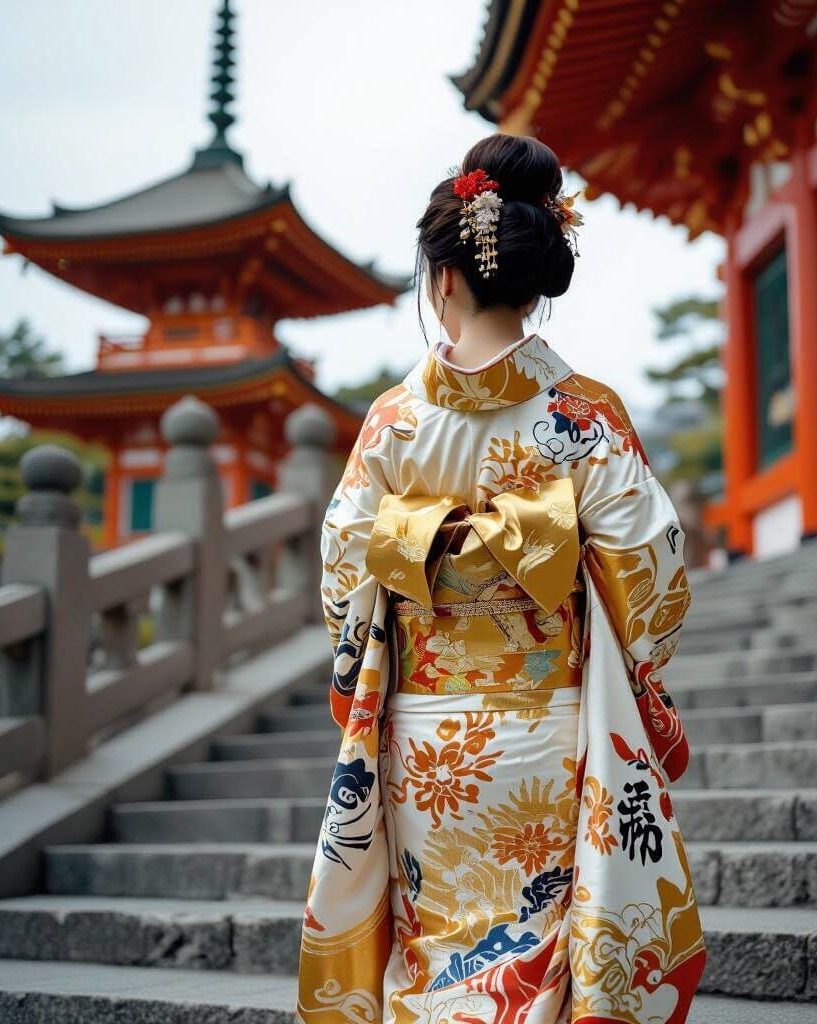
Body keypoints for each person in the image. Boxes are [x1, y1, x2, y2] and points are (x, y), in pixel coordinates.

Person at [297, 133, 706, 1024]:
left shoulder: (393, 424)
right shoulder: (583, 414)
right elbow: (655, 574)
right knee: (541, 950)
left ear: (442, 278)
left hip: (425, 741)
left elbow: (343, 571)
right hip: (547, 732)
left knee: (435, 952)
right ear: (532, 281)